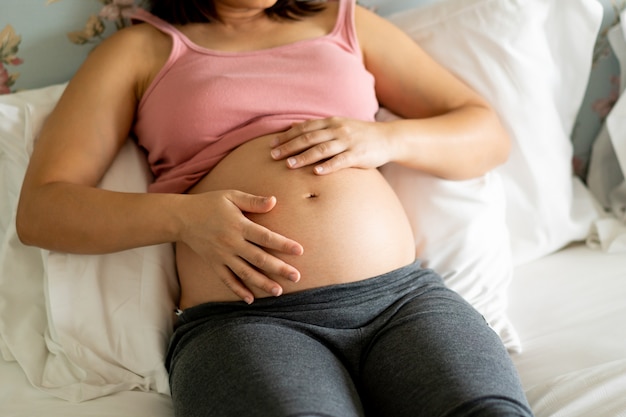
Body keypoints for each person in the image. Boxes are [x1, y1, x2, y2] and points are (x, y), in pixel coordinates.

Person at [16, 0, 534, 415]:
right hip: (248, 324)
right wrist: (184, 217)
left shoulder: (345, 21)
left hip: (402, 304)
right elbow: (43, 210)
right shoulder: (138, 49)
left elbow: (486, 132)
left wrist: (387, 139)